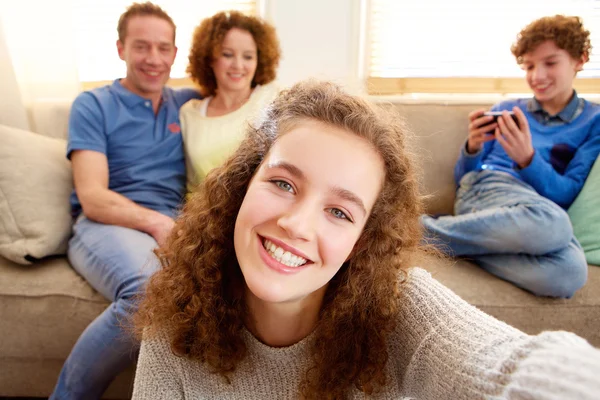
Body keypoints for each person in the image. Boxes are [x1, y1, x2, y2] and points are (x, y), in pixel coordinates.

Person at [131, 80, 600, 399]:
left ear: (361, 240)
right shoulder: (175, 316)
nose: (297, 225)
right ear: (241, 187)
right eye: (283, 184)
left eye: (339, 211)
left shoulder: (398, 307)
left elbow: (503, 367)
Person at [50, 2, 200, 399]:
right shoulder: (93, 105)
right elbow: (93, 196)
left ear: (175, 53)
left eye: (163, 48)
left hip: (173, 224)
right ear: (120, 48)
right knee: (145, 289)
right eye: (141, 46)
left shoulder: (187, 104)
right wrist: (156, 224)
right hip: (105, 223)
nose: (153, 59)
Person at [421, 15, 600, 298]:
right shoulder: (508, 108)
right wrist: (473, 148)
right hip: (490, 190)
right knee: (555, 224)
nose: (536, 76)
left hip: (533, 212)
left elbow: (567, 193)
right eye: (529, 66)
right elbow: (466, 180)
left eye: (550, 63)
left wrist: (528, 159)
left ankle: (454, 239)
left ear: (580, 59)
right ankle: (422, 230)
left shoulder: (593, 121)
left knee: (569, 274)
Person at [180, 10, 281, 190]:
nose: (238, 65)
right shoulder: (190, 113)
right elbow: (191, 187)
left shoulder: (271, 98)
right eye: (227, 54)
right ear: (210, 59)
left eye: (248, 56)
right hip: (203, 212)